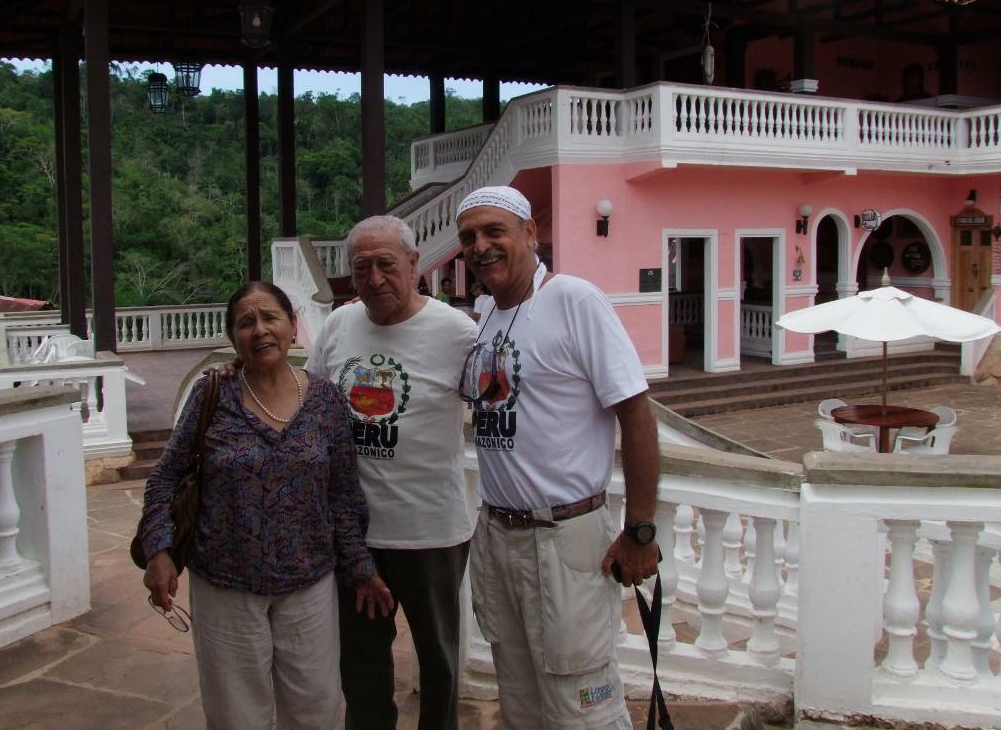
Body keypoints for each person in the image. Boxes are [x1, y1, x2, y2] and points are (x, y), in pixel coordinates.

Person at [139, 281, 393, 730]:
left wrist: (360, 568)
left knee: (315, 709)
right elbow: (165, 477)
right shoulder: (212, 395)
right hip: (226, 585)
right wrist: (158, 549)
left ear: (292, 326)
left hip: (309, 584)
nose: (259, 330)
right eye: (245, 323)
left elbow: (343, 495)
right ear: (233, 337)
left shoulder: (325, 400)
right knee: (237, 716)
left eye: (270, 318)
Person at [456, 186, 660, 730]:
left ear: (530, 233)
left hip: (564, 539)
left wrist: (640, 530)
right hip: (498, 536)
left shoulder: (573, 299)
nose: (480, 246)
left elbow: (636, 413)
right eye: (469, 237)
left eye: (494, 231)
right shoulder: (487, 314)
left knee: (581, 707)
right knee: (519, 700)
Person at [306, 215, 478, 730]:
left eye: (386, 264)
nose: (375, 278)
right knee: (361, 662)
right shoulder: (339, 326)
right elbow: (308, 403)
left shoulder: (458, 332)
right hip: (357, 536)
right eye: (362, 268)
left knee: (439, 660)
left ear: (413, 263)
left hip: (431, 532)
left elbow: (500, 403)